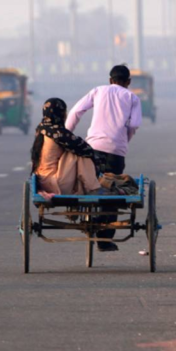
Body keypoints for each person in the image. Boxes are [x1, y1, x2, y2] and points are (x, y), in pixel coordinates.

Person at [66, 64, 142, 251]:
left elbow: (76, 111)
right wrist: (124, 141)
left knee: (92, 183)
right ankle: (105, 238)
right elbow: (134, 124)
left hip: (93, 148)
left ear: (110, 80)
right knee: (112, 189)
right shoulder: (132, 97)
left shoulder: (98, 91)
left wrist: (66, 135)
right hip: (116, 151)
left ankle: (88, 216)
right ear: (128, 82)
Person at [30, 98, 105, 196]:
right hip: (56, 183)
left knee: (74, 149)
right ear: (61, 113)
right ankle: (93, 187)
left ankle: (89, 185)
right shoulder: (58, 132)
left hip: (41, 181)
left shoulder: (41, 129)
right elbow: (86, 149)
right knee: (80, 153)